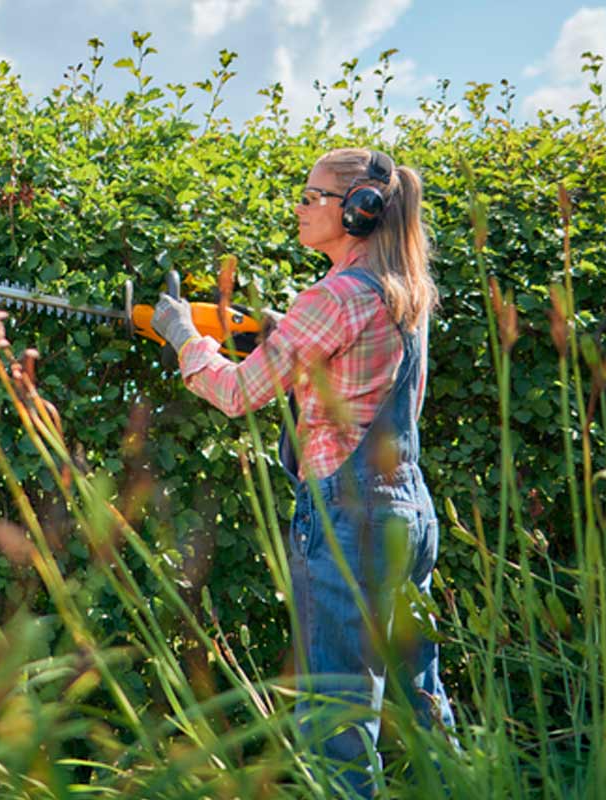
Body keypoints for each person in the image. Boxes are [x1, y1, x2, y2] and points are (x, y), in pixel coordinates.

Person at [151, 148, 454, 795]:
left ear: (358, 211)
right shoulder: (406, 292)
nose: (300, 207)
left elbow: (237, 393)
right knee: (422, 697)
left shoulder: (332, 297)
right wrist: (274, 332)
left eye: (313, 197)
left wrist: (182, 336)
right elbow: (344, 361)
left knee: (337, 714)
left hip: (348, 518)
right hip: (410, 510)